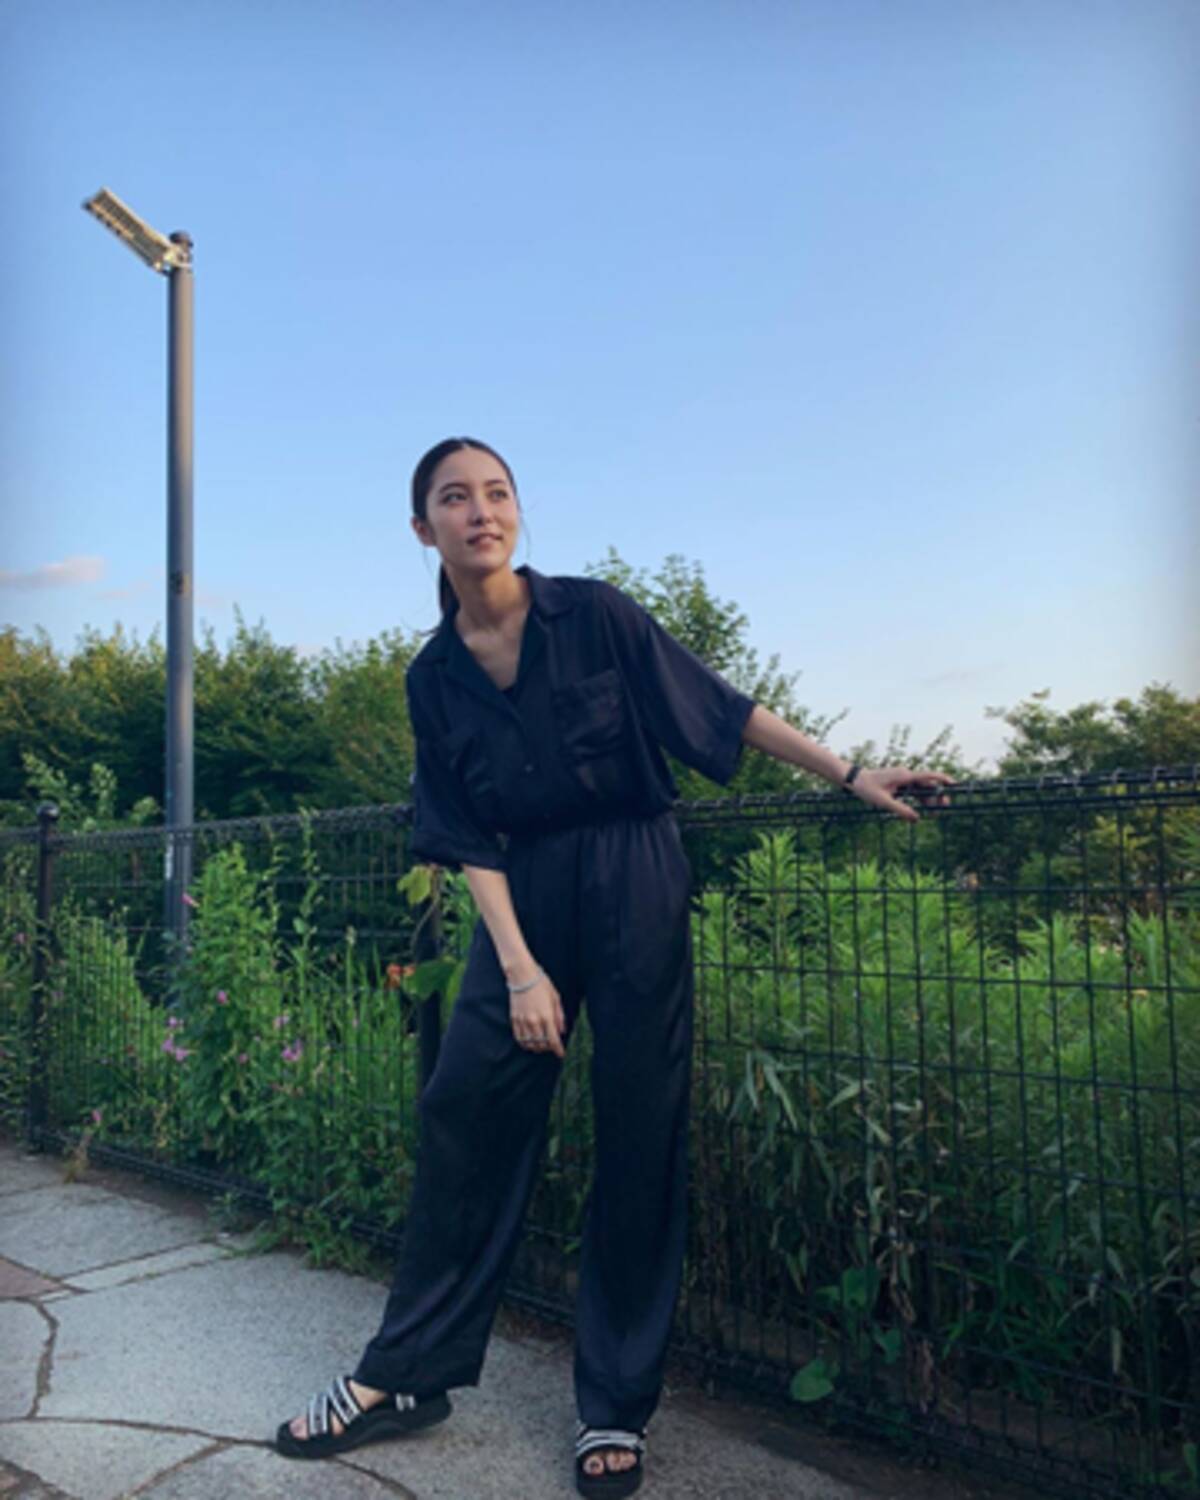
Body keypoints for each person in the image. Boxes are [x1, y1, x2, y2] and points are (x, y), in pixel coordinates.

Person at [275, 437, 954, 1495]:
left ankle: (613, 1405)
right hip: (521, 896)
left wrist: (851, 771)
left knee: (640, 1129)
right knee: (464, 1112)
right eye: (454, 498)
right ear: (423, 529)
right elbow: (462, 831)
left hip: (635, 873)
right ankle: (404, 1375)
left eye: (497, 493)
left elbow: (720, 708)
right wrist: (521, 968)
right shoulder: (433, 677)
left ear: (517, 513)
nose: (480, 511)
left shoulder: (594, 614)